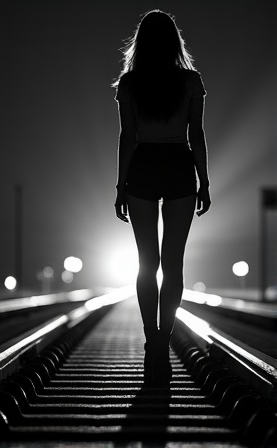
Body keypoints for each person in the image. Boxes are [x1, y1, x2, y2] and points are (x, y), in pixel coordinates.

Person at [113, 10, 211, 388]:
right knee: (173, 262)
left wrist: (121, 187)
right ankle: (163, 343)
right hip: (179, 168)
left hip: (142, 168)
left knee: (145, 261)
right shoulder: (191, 81)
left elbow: (127, 138)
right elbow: (196, 134)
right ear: (174, 42)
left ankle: (150, 339)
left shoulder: (130, 83)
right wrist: (203, 180)